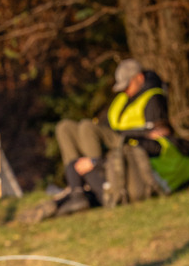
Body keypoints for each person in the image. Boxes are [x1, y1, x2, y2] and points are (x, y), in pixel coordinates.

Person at [53, 57, 169, 215]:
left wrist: (122, 135)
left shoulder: (153, 98)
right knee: (65, 127)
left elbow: (155, 135)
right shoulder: (121, 99)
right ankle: (77, 192)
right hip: (113, 139)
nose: (125, 90)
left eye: (127, 85)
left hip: (131, 144)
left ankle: (102, 185)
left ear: (139, 78)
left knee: (87, 127)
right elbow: (103, 124)